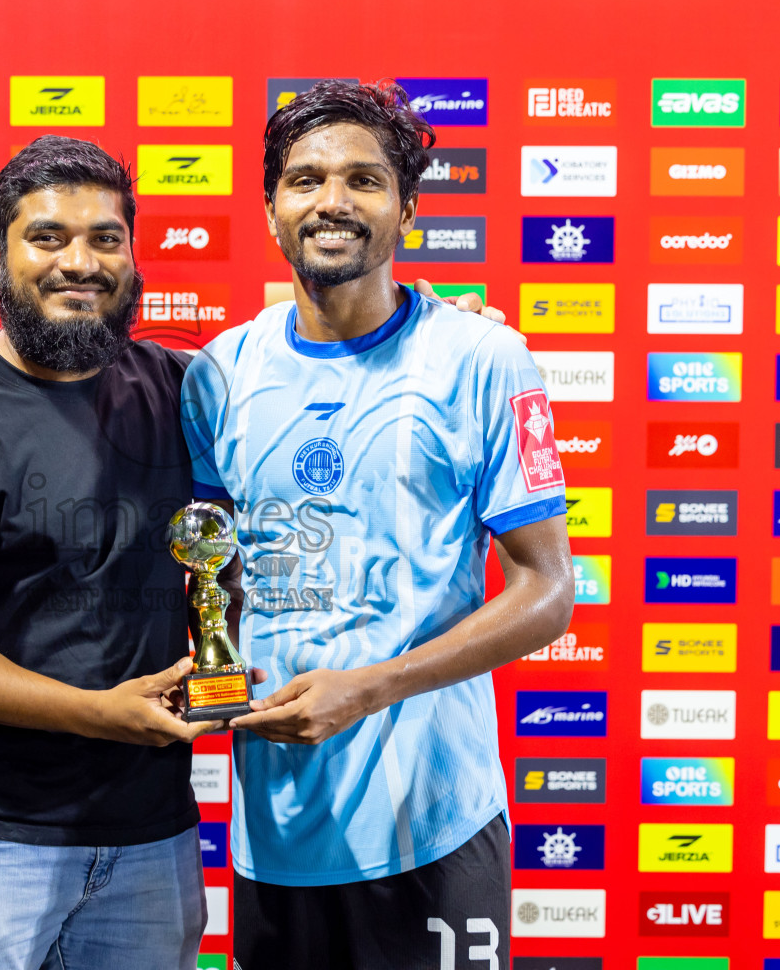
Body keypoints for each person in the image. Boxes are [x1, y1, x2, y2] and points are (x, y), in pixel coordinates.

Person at [0, 134, 512, 970]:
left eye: (105, 238)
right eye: (48, 238)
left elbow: (330, 372)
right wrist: (98, 713)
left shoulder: (190, 389)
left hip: (150, 838)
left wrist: (448, 335)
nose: (79, 263)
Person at [180, 80, 576, 970]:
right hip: (275, 829)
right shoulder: (218, 374)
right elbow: (213, 582)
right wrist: (210, 680)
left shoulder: (482, 358)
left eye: (364, 180)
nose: (333, 201)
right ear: (270, 210)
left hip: (434, 826)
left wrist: (370, 687)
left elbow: (548, 593)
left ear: (408, 210)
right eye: (305, 180)